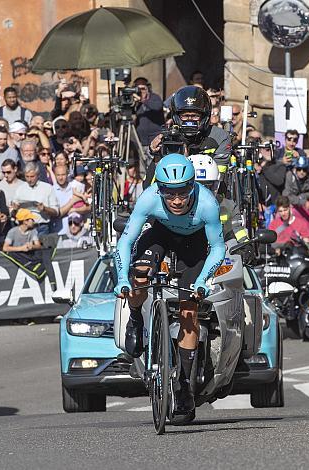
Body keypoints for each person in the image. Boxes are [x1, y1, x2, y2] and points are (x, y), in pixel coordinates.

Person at [114, 154, 225, 415]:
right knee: (139, 273)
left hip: (193, 245)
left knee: (190, 311)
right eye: (169, 193)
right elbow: (125, 242)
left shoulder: (207, 204)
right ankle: (135, 319)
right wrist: (121, 279)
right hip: (160, 235)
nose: (176, 200)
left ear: (192, 186)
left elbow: (218, 248)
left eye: (183, 192)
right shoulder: (149, 198)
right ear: (159, 189)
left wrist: (202, 281)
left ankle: (185, 385)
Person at [149, 85, 231, 171]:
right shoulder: (168, 137)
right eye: (185, 116)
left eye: (195, 116)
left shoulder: (220, 137)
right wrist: (155, 151)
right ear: (176, 117)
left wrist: (186, 161)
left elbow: (219, 176)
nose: (189, 120)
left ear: (204, 116)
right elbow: (153, 178)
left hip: (208, 182)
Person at [12, 162, 60, 236]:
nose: (29, 179)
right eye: (27, 177)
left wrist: (44, 209)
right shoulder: (20, 189)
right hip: (24, 227)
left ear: (38, 175)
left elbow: (56, 212)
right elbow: (13, 209)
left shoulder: (47, 188)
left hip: (41, 227)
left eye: (32, 176)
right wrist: (14, 208)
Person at [132, 77, 164, 167]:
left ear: (148, 88)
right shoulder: (135, 102)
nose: (141, 91)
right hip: (141, 141)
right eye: (138, 89)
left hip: (154, 139)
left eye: (143, 88)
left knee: (154, 166)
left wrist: (143, 100)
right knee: (143, 167)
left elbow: (157, 107)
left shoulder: (154, 98)